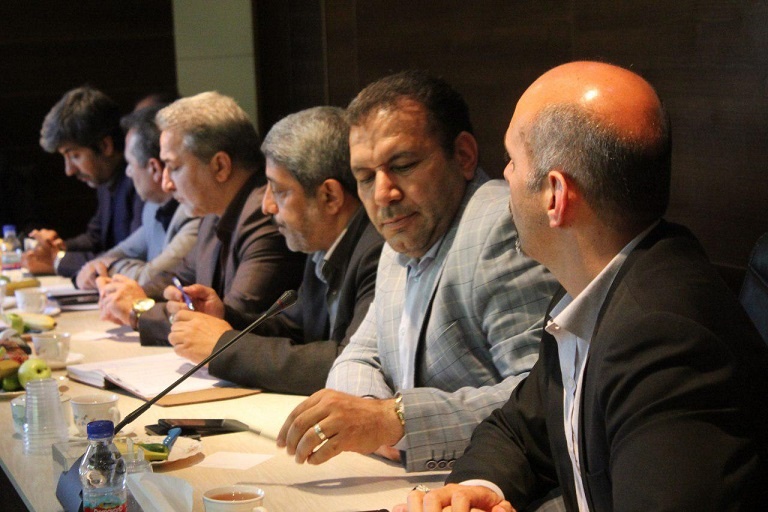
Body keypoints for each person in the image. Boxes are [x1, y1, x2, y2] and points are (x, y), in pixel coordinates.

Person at [400, 61, 768, 512]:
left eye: (513, 159)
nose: (505, 176)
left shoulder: (667, 341)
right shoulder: (585, 291)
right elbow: (518, 431)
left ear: (555, 195)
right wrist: (476, 490)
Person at [278, 71, 558, 472]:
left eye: (404, 165)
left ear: (463, 155)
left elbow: (541, 396)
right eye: (365, 177)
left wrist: (394, 421)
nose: (383, 194)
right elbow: (357, 356)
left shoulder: (500, 226)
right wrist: (370, 413)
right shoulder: (400, 241)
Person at [164, 106, 384, 395]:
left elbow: (348, 364)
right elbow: (295, 330)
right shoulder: (322, 245)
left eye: (278, 191)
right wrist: (224, 319)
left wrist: (223, 348)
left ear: (329, 196)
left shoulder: (378, 252)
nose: (267, 206)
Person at [97, 92, 305, 345]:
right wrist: (130, 293)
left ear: (220, 166)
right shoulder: (214, 211)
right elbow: (179, 277)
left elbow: (227, 325)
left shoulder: (265, 217)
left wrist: (139, 310)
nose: (166, 183)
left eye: (174, 167)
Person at [74, 104, 200, 290]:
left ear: (154, 168)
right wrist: (97, 266)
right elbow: (121, 252)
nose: (128, 172)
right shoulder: (152, 208)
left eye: (130, 164)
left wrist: (108, 268)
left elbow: (153, 278)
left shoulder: (195, 212)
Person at [22, 86, 144, 277]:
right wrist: (58, 247)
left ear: (105, 145)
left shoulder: (141, 182)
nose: (69, 170)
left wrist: (57, 262)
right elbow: (96, 237)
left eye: (75, 156)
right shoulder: (106, 177)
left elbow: (134, 256)